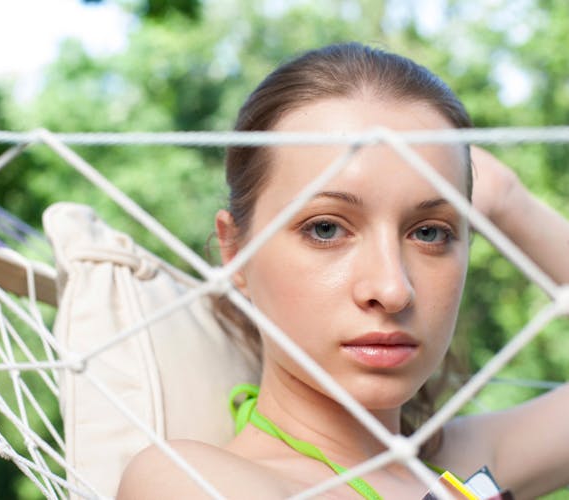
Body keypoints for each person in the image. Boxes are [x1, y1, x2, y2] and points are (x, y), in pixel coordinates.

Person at [117, 42, 569, 499]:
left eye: (430, 232)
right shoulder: (187, 481)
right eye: (326, 228)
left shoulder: (469, 465)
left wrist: (511, 201)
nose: (392, 289)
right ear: (235, 252)